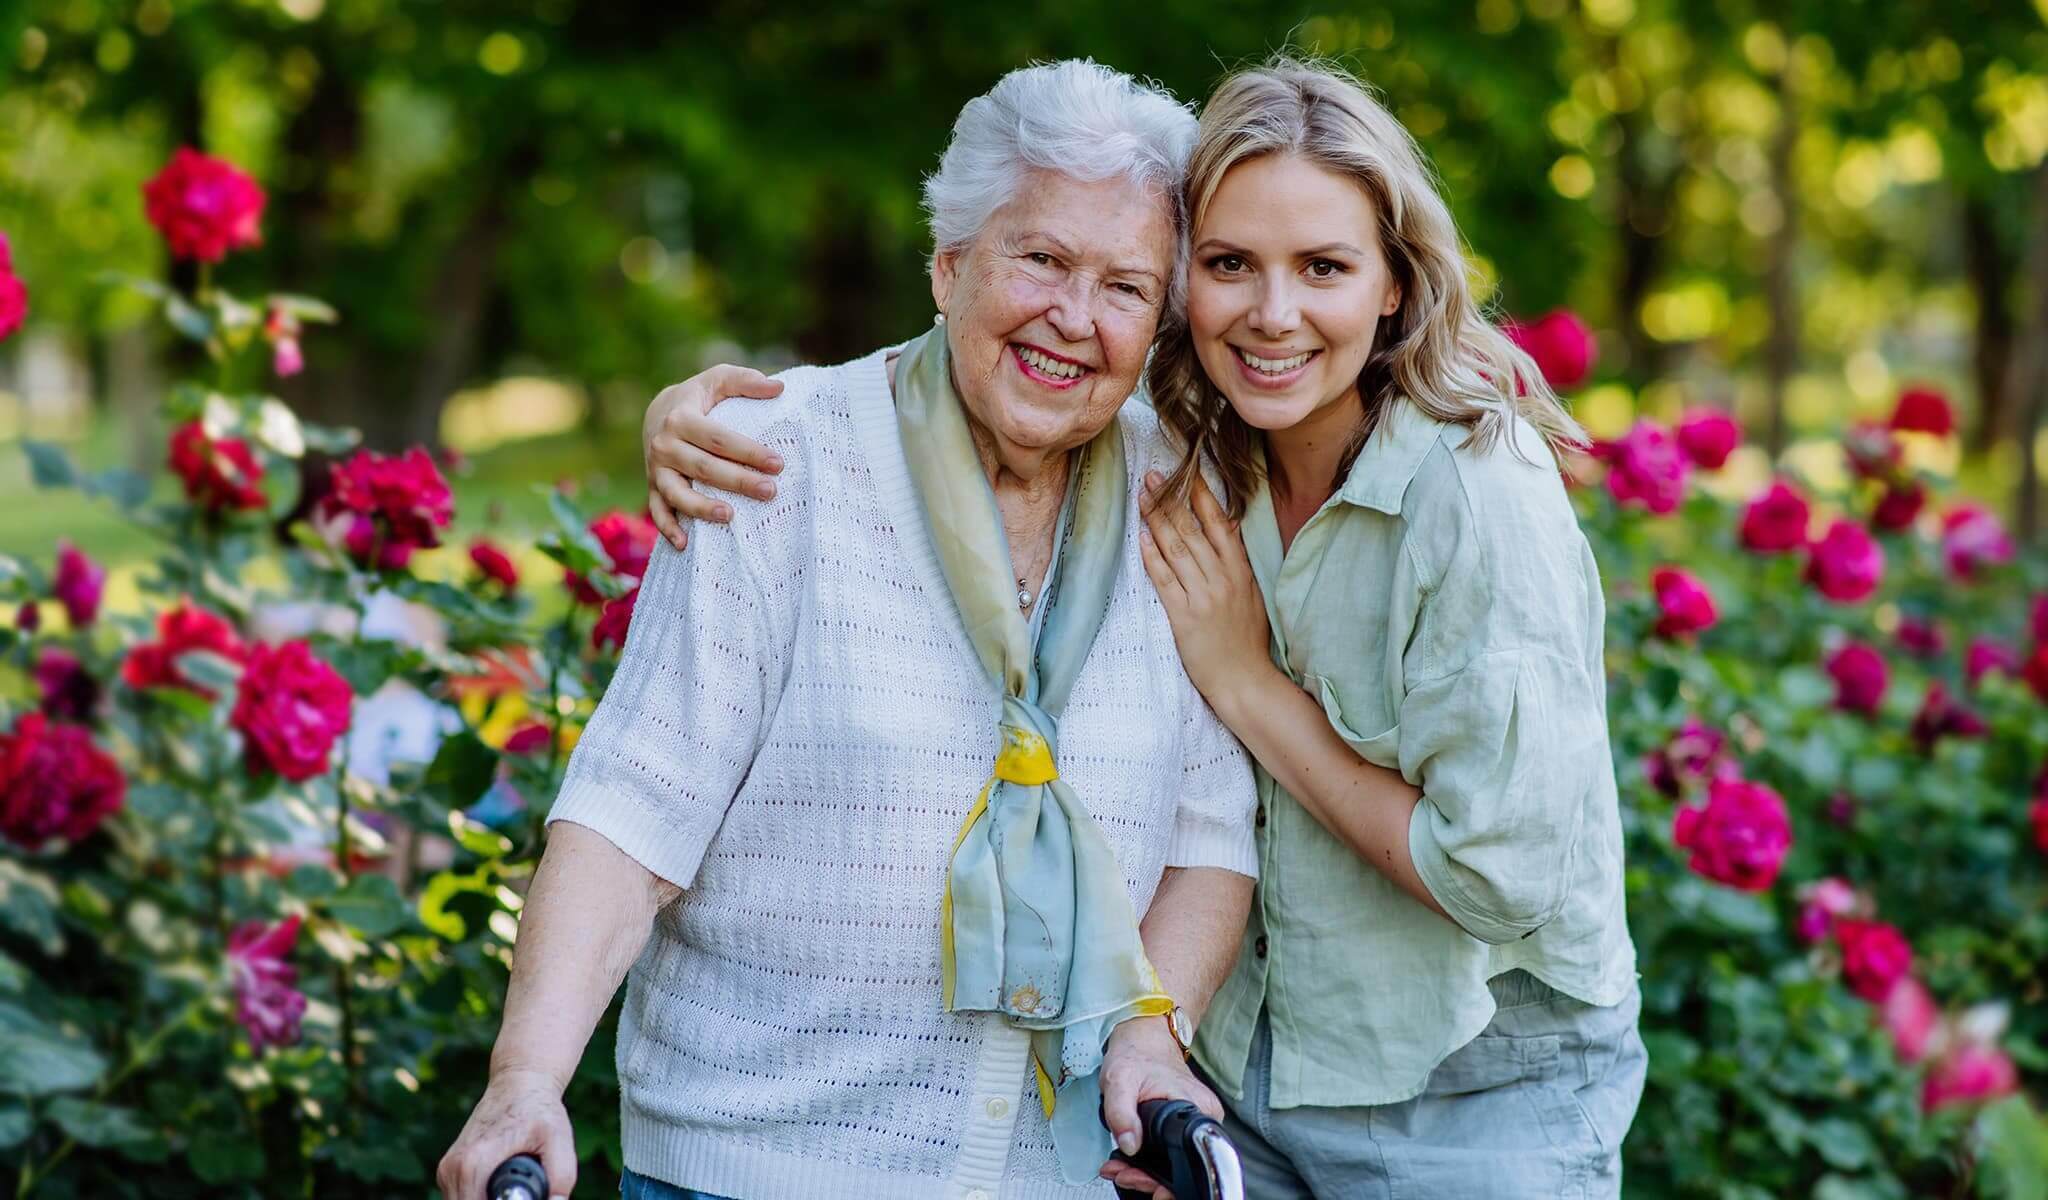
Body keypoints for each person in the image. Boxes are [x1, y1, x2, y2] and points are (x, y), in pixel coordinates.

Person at [640, 56, 1645, 1200]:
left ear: (1393, 284)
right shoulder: (1188, 448)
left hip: (1466, 1094)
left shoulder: (1473, 496)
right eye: (1227, 266)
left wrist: (1245, 681)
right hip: (1240, 1082)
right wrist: (694, 417)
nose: (1272, 314)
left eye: (1322, 267)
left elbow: (1495, 873)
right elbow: (992, 351)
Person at [437, 60, 1258, 1200]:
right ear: (947, 264)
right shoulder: (775, 461)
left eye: (1125, 287)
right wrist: (524, 1080)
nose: (1074, 317)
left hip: (1050, 1177)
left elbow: (1209, 833)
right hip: (750, 1167)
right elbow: (633, 810)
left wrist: (1149, 1034)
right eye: (1040, 260)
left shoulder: (1176, 498)